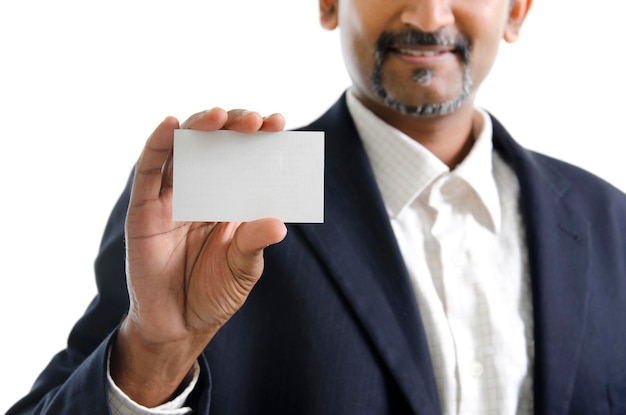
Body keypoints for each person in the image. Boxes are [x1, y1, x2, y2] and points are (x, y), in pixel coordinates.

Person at [8, 0, 626, 413]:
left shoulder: (611, 225)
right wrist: (152, 353)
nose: (427, 13)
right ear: (329, 2)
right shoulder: (213, 206)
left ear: (517, 9)